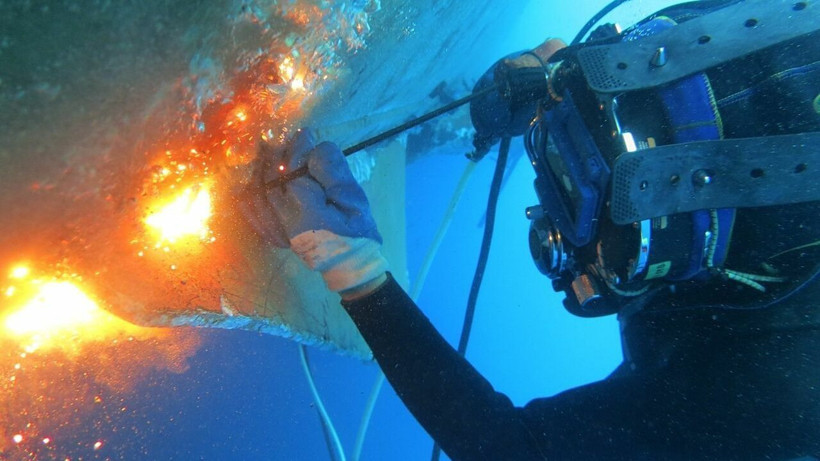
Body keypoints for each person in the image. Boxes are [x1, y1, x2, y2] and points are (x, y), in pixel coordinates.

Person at [244, 1, 820, 459]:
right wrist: (554, 73)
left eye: (618, 216)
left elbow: (510, 448)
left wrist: (358, 273)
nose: (551, 214)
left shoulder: (779, 394)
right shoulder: (782, 41)